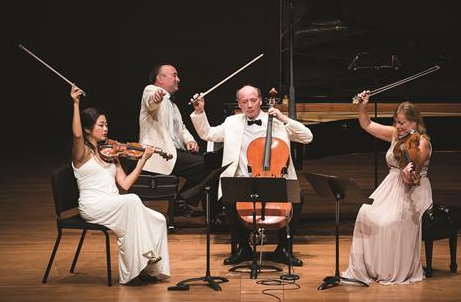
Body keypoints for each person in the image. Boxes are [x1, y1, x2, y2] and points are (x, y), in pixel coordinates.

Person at [190, 85, 313, 266]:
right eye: (244, 101)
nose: (249, 105)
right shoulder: (231, 122)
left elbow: (307, 137)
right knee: (229, 194)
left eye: (253, 100)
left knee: (297, 196)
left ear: (261, 101)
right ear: (239, 104)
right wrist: (199, 112)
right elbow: (207, 134)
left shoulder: (277, 122)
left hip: (276, 178)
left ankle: (284, 249)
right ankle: (243, 248)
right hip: (244, 179)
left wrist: (284, 117)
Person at [70, 85, 170, 285]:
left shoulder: (110, 154)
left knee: (158, 219)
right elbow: (78, 136)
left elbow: (125, 184)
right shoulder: (81, 155)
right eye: (100, 125)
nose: (106, 128)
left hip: (114, 203)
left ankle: (144, 269)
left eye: (106, 124)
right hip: (93, 205)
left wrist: (142, 160)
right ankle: (138, 266)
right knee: (132, 201)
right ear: (88, 128)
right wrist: (75, 103)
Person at [343, 90, 433, 284]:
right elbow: (366, 124)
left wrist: (408, 174)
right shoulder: (395, 134)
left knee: (389, 222)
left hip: (412, 190)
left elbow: (413, 174)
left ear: (414, 123)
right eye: (396, 122)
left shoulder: (422, 142)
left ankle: (389, 269)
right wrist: (362, 106)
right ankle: (372, 268)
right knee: (364, 213)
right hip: (390, 185)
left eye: (401, 122)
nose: (397, 126)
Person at [139, 64, 210, 218]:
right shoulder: (150, 90)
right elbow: (150, 102)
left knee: (210, 164)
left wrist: (190, 141)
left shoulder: (173, 105)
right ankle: (182, 200)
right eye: (174, 75)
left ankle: (182, 201)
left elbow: (182, 128)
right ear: (160, 79)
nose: (178, 79)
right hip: (158, 153)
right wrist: (156, 98)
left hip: (174, 153)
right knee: (209, 164)